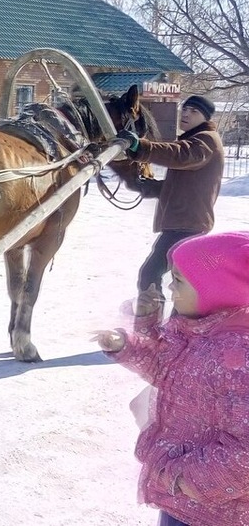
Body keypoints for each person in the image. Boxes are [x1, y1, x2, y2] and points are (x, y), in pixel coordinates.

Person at [92, 231, 249, 526]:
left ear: (214, 289)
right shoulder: (199, 332)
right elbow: (166, 368)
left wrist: (185, 480)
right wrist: (126, 343)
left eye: (178, 280)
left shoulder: (237, 357)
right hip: (183, 496)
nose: (169, 288)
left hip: (216, 511)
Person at [117, 94, 224, 299]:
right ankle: (174, 324)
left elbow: (179, 154)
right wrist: (146, 187)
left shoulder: (206, 141)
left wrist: (141, 147)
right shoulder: (197, 139)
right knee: (180, 281)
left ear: (206, 118)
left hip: (188, 226)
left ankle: (153, 324)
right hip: (183, 223)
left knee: (152, 275)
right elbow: (181, 186)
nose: (185, 113)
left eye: (194, 111)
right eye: (185, 108)